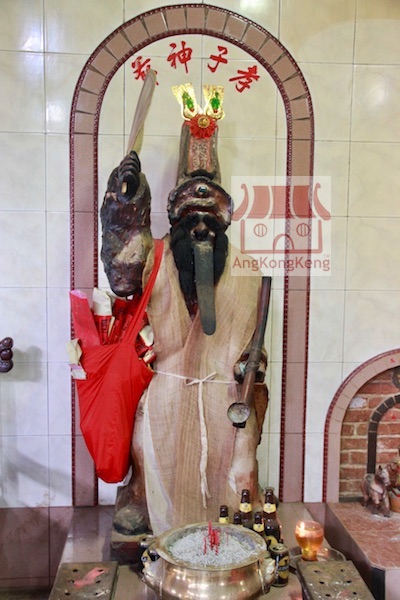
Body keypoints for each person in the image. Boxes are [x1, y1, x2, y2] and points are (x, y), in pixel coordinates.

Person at [100, 81, 269, 536]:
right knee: (150, 437)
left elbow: (255, 341)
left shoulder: (248, 270)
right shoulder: (154, 257)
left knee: (239, 464)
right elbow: (121, 278)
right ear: (174, 217)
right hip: (167, 384)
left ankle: (234, 518)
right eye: (190, 217)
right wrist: (125, 202)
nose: (201, 227)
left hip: (224, 393)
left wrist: (252, 364)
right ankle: (142, 496)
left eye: (210, 217)